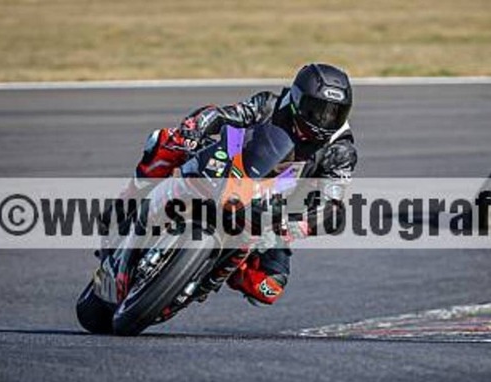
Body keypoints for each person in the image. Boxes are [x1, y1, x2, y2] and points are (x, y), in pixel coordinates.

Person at [131, 63, 357, 306]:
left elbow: (332, 203)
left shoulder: (341, 151)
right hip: (232, 170)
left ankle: (219, 271)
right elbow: (222, 114)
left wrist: (300, 225)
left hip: (273, 214)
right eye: (318, 110)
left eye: (335, 113)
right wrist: (194, 129)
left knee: (268, 289)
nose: (325, 120)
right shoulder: (269, 105)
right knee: (166, 141)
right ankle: (130, 201)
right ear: (297, 100)